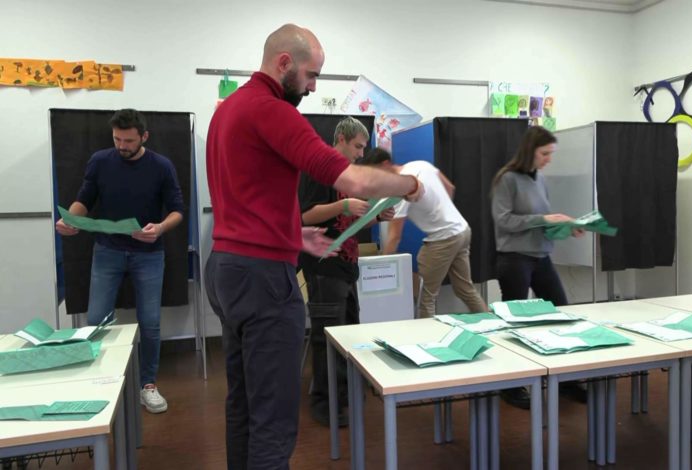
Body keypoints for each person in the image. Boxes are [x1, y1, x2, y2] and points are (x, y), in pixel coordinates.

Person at [204, 24, 423, 470]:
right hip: (262, 279)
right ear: (284, 62)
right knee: (272, 418)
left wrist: (292, 233)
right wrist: (412, 184)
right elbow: (354, 180)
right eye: (311, 75)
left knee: (244, 402)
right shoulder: (273, 110)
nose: (313, 87)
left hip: (227, 267)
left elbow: (246, 197)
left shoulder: (227, 111)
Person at [56, 108, 185, 414]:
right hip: (107, 250)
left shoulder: (161, 166)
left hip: (149, 254)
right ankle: (99, 383)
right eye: (117, 139)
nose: (122, 146)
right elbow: (85, 198)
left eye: (128, 140)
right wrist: (71, 219)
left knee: (150, 323)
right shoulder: (100, 160)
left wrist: (160, 228)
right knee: (97, 319)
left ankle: (147, 384)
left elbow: (178, 210)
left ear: (144, 137)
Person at [298, 116, 395, 427]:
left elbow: (352, 221)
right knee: (327, 336)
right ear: (340, 139)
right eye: (357, 146)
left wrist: (377, 217)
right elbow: (305, 215)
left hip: (346, 266)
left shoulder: (347, 175)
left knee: (348, 333)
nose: (360, 153)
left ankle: (343, 394)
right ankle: (324, 403)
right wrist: (343, 206)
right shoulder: (318, 169)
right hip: (324, 264)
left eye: (364, 148)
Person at [490, 125, 584, 408]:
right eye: (545, 154)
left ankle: (566, 381)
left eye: (550, 154)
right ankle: (511, 385)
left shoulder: (540, 179)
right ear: (530, 151)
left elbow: (542, 219)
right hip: (514, 259)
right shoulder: (506, 179)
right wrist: (544, 220)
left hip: (541, 256)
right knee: (514, 323)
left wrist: (566, 227)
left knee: (560, 312)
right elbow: (504, 220)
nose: (548, 159)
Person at [361, 147, 489, 318]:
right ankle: (492, 323)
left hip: (443, 238)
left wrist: (381, 268)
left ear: (384, 165)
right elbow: (450, 187)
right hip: (461, 230)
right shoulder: (420, 165)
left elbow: (394, 237)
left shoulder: (399, 188)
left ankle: (427, 334)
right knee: (465, 289)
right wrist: (439, 212)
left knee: (426, 297)